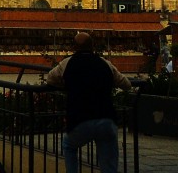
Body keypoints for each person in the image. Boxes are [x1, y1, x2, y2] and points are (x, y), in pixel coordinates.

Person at [45, 32, 131, 173]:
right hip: (106, 118)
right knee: (108, 161)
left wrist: (67, 84)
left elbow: (50, 79)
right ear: (93, 46)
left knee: (68, 145)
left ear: (74, 47)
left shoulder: (67, 63)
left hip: (80, 119)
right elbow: (126, 84)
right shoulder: (105, 63)